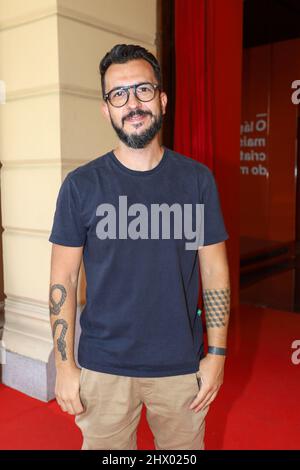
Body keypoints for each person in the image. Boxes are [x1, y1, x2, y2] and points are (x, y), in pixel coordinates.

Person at [48, 43, 230, 450]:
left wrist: (216, 356)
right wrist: (64, 366)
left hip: (180, 365)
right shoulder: (81, 186)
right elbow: (63, 276)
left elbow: (215, 271)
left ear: (162, 99)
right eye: (119, 94)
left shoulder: (197, 181)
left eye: (143, 90)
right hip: (104, 366)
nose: (132, 103)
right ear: (107, 109)